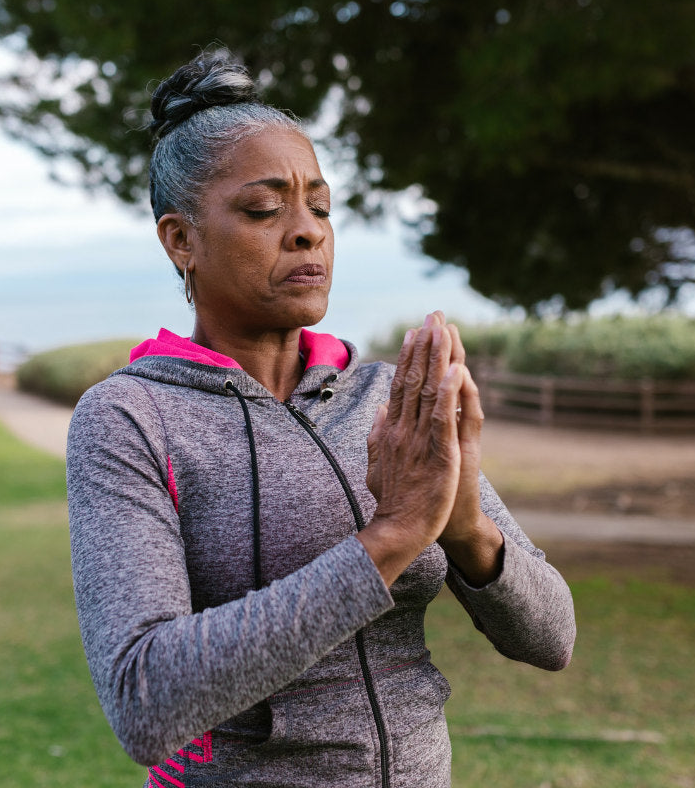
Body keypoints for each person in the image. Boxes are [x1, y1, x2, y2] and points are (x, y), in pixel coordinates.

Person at [65, 49, 576, 788]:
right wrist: (391, 539)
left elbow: (552, 638)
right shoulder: (131, 419)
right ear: (181, 240)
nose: (306, 231)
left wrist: (464, 523)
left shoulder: (387, 403)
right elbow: (146, 701)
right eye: (264, 210)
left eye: (320, 207)